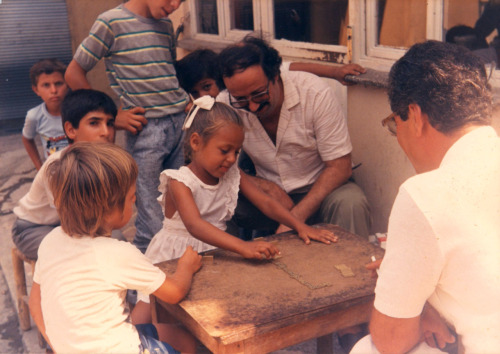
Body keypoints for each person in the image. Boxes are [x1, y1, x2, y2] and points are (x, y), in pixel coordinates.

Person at [131, 96, 338, 324]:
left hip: (215, 251)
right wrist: (243, 246)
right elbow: (195, 225)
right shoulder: (179, 181)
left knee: (205, 311)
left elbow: (265, 201)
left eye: (237, 152)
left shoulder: (231, 174)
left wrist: (300, 226)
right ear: (196, 142)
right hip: (176, 254)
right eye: (224, 150)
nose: (231, 159)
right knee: (151, 309)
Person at [353, 40, 500, 353]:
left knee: (368, 349)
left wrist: (412, 299)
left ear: (415, 116)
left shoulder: (425, 194)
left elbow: (392, 340)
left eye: (396, 125)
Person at [29, 142, 202, 353]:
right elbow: (174, 293)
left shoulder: (51, 240)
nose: (135, 200)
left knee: (177, 337)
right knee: (187, 340)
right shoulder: (118, 254)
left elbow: (35, 305)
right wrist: (186, 265)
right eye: (131, 198)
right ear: (108, 209)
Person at [217, 35, 371, 239]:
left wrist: (295, 219)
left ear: (275, 76)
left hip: (320, 191)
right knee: (215, 200)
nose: (252, 107)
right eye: (241, 100)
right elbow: (217, 165)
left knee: (351, 202)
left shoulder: (314, 93)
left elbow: (340, 166)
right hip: (269, 199)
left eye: (259, 95)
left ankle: (354, 269)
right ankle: (231, 269)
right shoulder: (225, 104)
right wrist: (264, 186)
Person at [64, 0, 188, 253]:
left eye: (183, 1)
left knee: (181, 210)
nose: (176, 5)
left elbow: (166, 73)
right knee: (152, 217)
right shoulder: (110, 22)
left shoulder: (165, 25)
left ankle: (175, 274)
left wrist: (186, 100)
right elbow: (73, 73)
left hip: (181, 125)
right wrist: (111, 115)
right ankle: (142, 285)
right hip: (147, 131)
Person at [12, 89, 116, 260]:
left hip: (67, 226)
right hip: (32, 229)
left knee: (117, 241)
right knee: (82, 253)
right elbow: (73, 221)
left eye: (110, 123)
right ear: (71, 130)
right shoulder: (59, 165)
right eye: (94, 123)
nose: (106, 132)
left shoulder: (104, 161)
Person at [175, 48, 366, 101]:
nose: (204, 96)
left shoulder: (243, 81)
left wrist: (335, 72)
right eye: (195, 92)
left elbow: (291, 68)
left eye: (207, 86)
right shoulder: (201, 109)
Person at [22, 58, 69, 171]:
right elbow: (27, 139)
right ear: (36, 90)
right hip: (53, 173)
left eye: (58, 83)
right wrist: (40, 168)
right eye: (46, 85)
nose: (53, 90)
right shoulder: (34, 116)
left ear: (67, 85)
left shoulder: (78, 111)